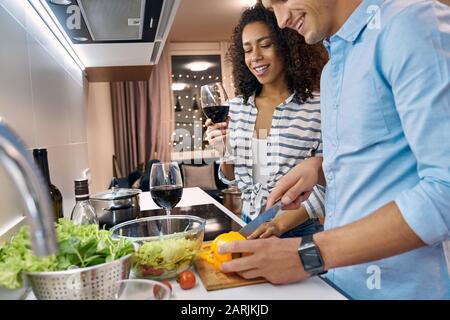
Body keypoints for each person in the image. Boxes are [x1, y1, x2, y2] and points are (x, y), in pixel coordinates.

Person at [218, 0, 450, 299]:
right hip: (340, 283)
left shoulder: (410, 23)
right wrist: (322, 168)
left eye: (282, 0)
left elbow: (445, 189)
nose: (283, 19)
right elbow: (380, 169)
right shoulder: (333, 69)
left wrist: (307, 254)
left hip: (401, 289)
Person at [205, 4, 327, 239]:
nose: (256, 57)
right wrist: (225, 151)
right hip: (250, 225)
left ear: (286, 46)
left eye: (265, 45)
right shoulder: (237, 108)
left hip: (297, 231)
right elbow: (232, 179)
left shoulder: (317, 106)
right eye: (248, 50)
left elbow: (326, 184)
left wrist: (278, 225)